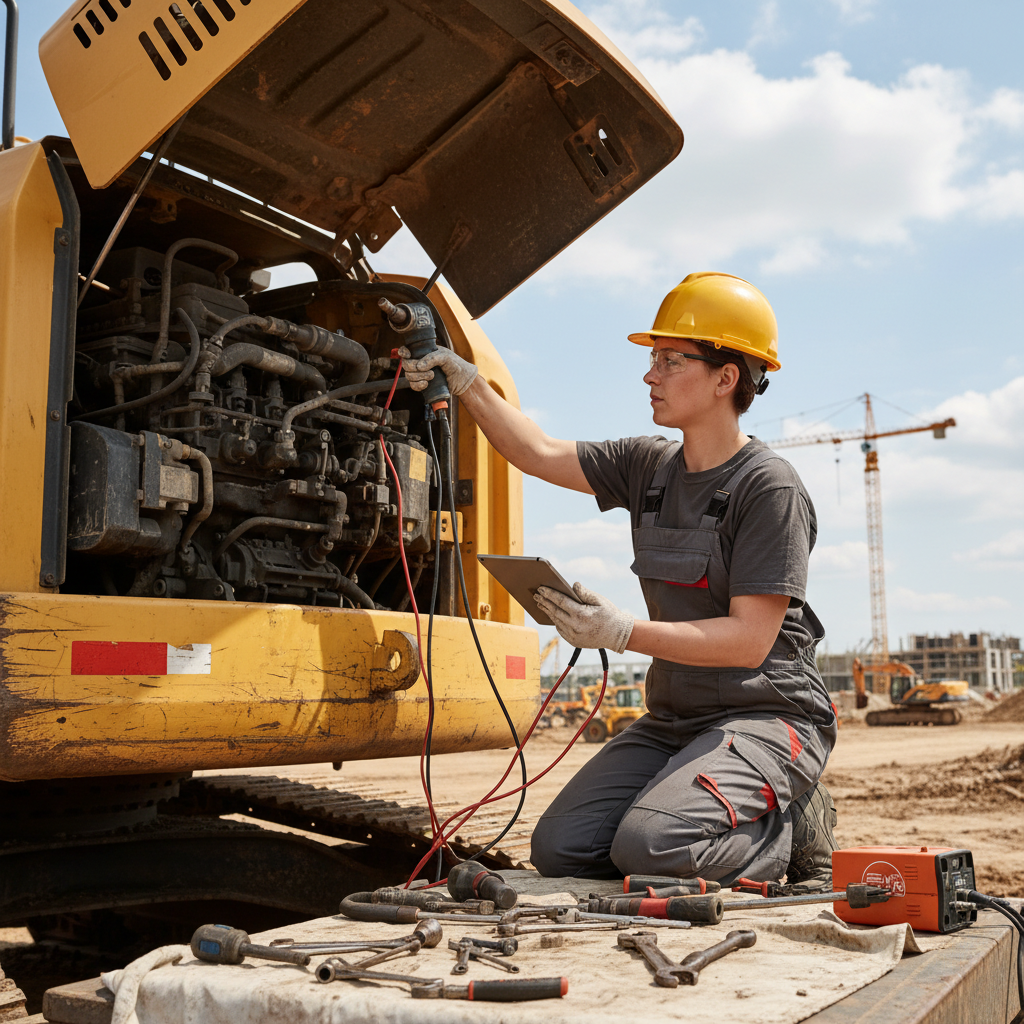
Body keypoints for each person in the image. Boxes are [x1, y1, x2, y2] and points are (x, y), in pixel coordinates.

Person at [400, 272, 839, 889]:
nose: (650, 375)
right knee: (561, 848)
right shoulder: (647, 465)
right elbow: (537, 452)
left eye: (670, 360)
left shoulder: (770, 488)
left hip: (769, 715)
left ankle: (788, 827)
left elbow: (749, 642)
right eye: (653, 359)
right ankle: (692, 819)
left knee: (650, 845)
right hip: (678, 716)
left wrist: (620, 631)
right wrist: (467, 380)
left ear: (726, 378)